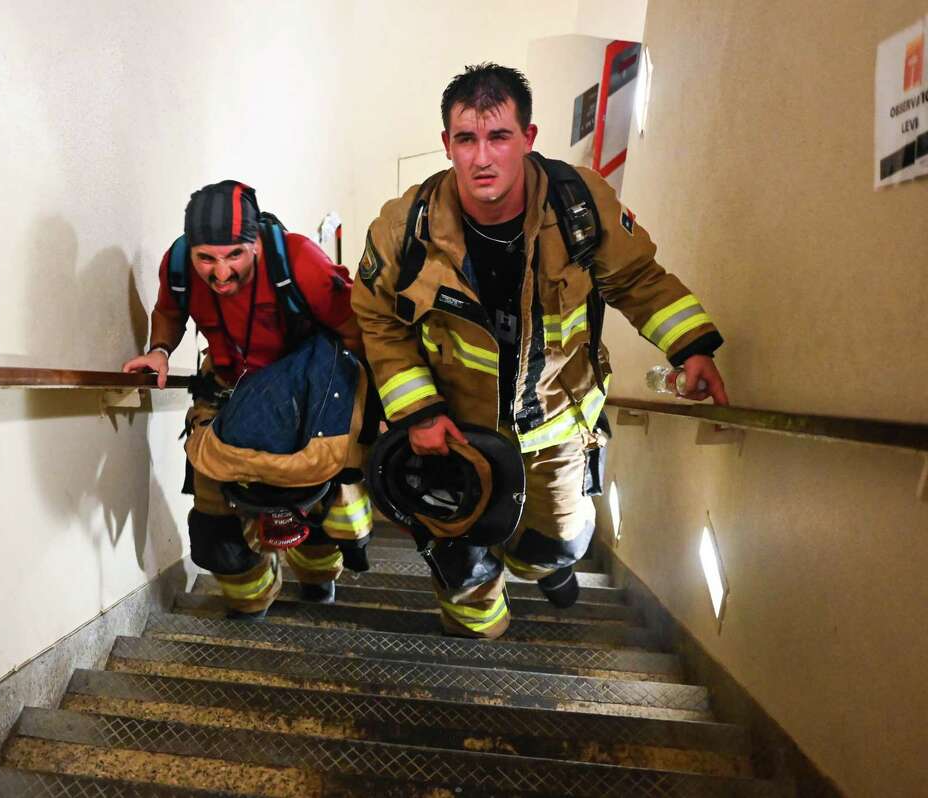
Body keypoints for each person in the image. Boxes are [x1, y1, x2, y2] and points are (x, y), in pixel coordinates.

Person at [351, 64, 728, 639]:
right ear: (447, 143)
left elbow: (638, 281)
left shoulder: (581, 205)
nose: (482, 158)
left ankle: (546, 570)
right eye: (467, 139)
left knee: (553, 547)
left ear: (528, 139)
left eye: (499, 137)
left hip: (554, 424)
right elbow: (378, 320)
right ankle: (478, 641)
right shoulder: (404, 228)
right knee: (461, 559)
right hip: (454, 433)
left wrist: (691, 346)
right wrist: (418, 412)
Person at [124, 180, 371, 619]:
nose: (220, 274)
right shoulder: (178, 264)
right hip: (224, 388)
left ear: (255, 242)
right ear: (191, 250)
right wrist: (159, 350)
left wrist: (358, 416)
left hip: (302, 396)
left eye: (234, 255)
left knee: (314, 501)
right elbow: (168, 310)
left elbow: (356, 336)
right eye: (207, 259)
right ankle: (251, 599)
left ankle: (317, 580)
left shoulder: (300, 261)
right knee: (214, 525)